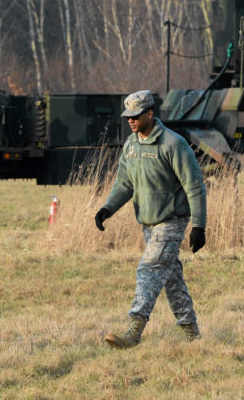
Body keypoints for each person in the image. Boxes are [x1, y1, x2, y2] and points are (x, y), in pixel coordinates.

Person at [95, 90, 207, 348]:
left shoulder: (173, 144)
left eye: (136, 116)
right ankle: (192, 336)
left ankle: (133, 333)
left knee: (149, 269)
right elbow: (124, 183)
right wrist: (107, 209)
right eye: (128, 117)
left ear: (149, 114)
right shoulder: (131, 145)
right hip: (147, 224)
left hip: (172, 222)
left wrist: (199, 226)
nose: (131, 121)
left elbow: (195, 187)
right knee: (171, 279)